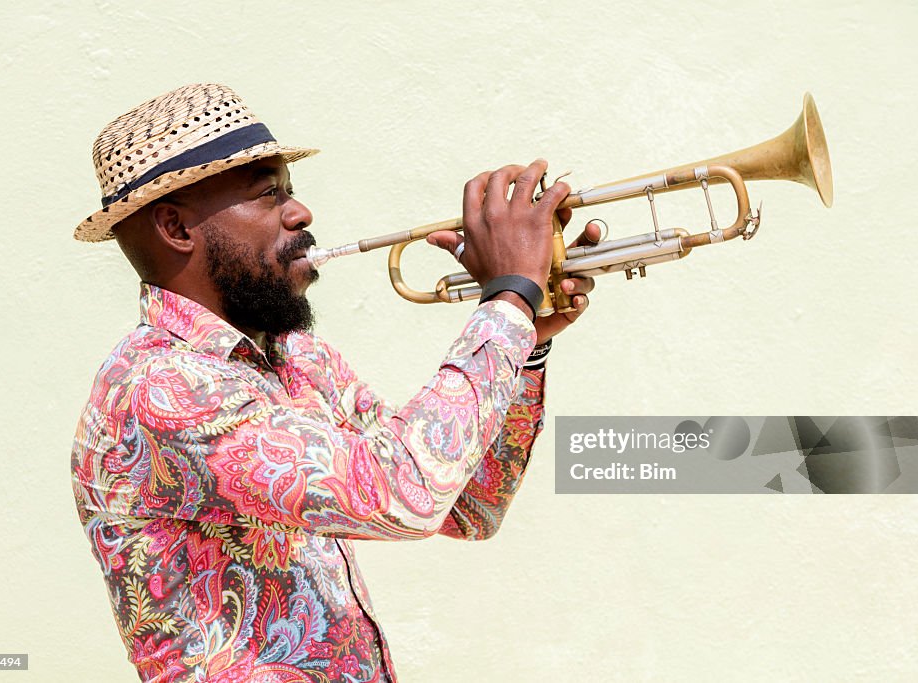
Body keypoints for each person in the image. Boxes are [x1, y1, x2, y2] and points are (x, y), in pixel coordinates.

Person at [71, 83, 597, 683]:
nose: (300, 214)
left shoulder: (297, 359)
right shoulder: (160, 387)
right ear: (176, 228)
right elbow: (406, 494)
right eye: (269, 194)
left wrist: (527, 342)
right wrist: (507, 302)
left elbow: (468, 507)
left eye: (290, 192)